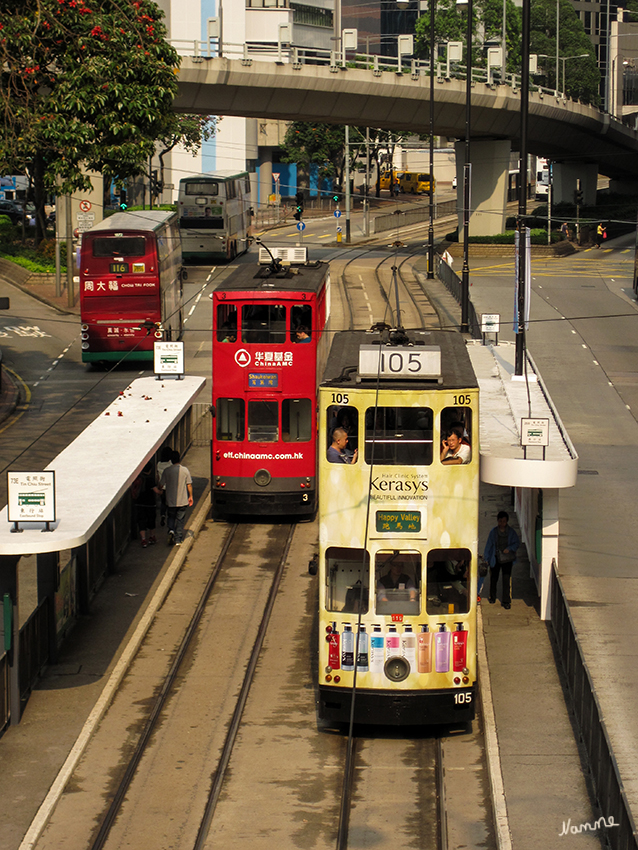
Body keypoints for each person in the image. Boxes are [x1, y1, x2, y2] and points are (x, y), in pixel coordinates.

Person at [154, 450, 193, 546]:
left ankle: (171, 530)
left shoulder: (167, 471)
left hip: (170, 500)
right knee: (180, 519)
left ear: (171, 460)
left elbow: (161, 484)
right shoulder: (185, 470)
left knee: (171, 516)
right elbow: (189, 485)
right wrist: (190, 496)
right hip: (182, 500)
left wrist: (159, 489)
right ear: (179, 459)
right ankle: (178, 539)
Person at [484, 510, 520, 609]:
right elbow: (489, 545)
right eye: (500, 521)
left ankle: (506, 601)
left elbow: (516, 543)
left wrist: (509, 549)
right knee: (494, 578)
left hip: (507, 559)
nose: (502, 523)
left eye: (504, 521)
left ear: (507, 521)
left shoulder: (511, 532)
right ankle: (492, 597)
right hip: (495, 558)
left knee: (506, 580)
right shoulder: (494, 532)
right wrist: (486, 558)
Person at [132, 461, 157, 548]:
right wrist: (161, 491)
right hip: (150, 503)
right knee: (151, 519)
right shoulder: (150, 479)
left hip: (139, 503)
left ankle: (143, 539)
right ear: (150, 469)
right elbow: (156, 491)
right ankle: (151, 537)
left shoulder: (138, 478)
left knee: (141, 520)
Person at [157, 446, 173, 527]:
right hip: (170, 487)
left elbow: (158, 477)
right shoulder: (170, 464)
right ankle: (169, 518)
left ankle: (162, 515)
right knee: (169, 504)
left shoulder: (159, 464)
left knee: (163, 503)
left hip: (162, 487)